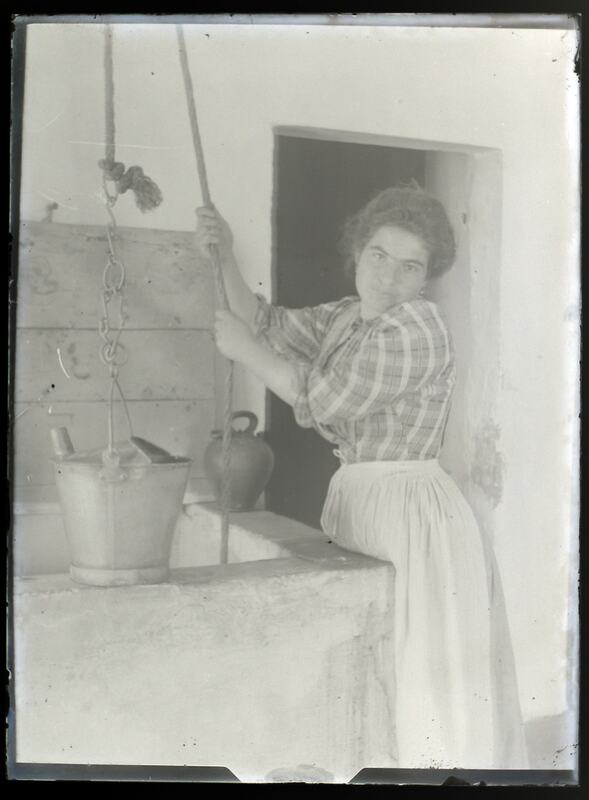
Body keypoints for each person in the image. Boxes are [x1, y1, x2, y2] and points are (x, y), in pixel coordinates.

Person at [194, 184, 528, 769]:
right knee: (374, 673)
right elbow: (265, 322)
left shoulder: (419, 326)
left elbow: (324, 399)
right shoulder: (349, 317)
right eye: (378, 255)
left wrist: (246, 353)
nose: (388, 277)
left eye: (409, 266)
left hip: (413, 516)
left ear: (426, 278)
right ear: (357, 252)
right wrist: (223, 255)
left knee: (425, 686)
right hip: (363, 499)